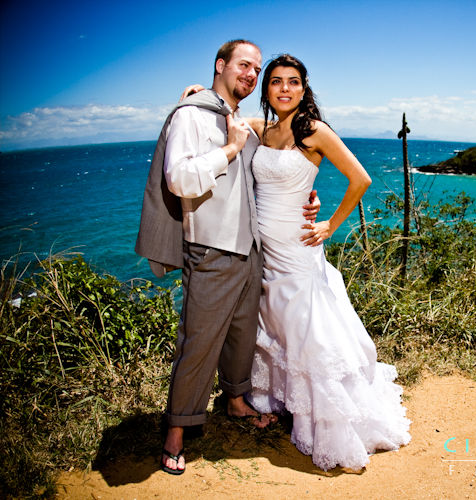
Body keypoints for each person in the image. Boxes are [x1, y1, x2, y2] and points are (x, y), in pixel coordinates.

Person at [135, 40, 320, 476]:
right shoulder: (191, 116)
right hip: (213, 248)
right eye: (244, 65)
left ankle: (235, 401)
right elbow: (179, 178)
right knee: (198, 343)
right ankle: (177, 432)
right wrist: (230, 149)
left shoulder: (236, 117)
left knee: (242, 335)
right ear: (221, 65)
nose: (252, 74)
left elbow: (278, 166)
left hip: (252, 246)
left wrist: (307, 198)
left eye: (257, 69)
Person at [243, 54, 412, 472]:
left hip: (298, 248)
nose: (284, 89)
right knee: (278, 325)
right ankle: (287, 401)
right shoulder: (261, 128)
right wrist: (197, 96)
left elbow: (361, 179)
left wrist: (329, 225)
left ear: (304, 89)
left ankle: (329, 422)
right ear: (267, 89)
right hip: (265, 250)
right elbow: (226, 114)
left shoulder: (313, 130)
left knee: (308, 332)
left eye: (293, 82)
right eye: (276, 81)